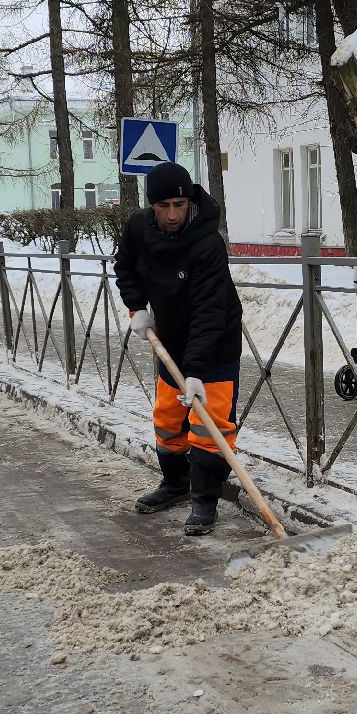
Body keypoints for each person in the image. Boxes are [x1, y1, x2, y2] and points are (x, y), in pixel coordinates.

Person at [115, 161, 243, 536]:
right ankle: (174, 485)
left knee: (209, 425)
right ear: (151, 206)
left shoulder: (208, 244)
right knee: (168, 418)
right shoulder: (139, 228)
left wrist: (197, 371)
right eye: (163, 205)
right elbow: (125, 267)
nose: (172, 214)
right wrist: (137, 307)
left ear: (190, 201)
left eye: (179, 204)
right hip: (169, 339)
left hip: (214, 344)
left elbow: (209, 310)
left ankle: (205, 500)